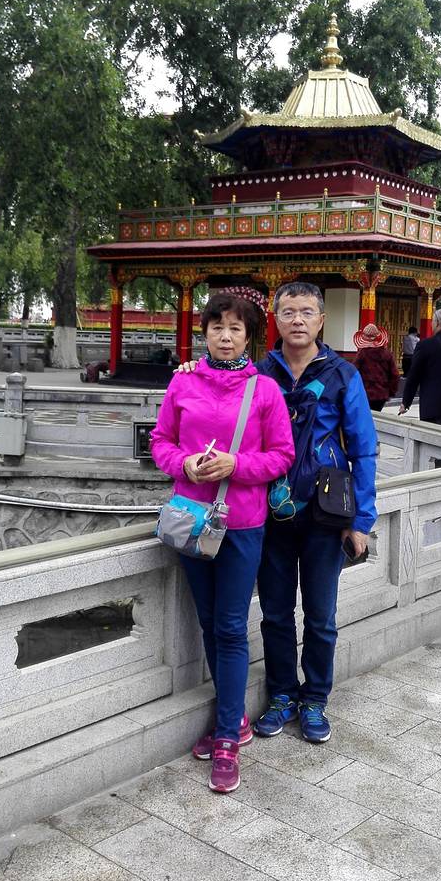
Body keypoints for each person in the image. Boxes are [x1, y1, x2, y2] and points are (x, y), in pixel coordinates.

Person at [151, 293, 294, 794]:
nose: (225, 336)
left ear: (249, 336)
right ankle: (236, 719)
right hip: (191, 518)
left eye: (235, 328)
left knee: (231, 626)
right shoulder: (183, 381)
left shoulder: (265, 390)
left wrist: (237, 465)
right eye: (217, 327)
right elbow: (160, 441)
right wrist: (184, 464)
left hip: (242, 522)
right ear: (205, 332)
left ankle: (228, 737)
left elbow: (282, 456)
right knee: (209, 621)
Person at [253, 281, 378, 745]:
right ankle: (282, 694)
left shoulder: (343, 375)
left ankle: (315, 698)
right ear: (276, 319)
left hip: (326, 515)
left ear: (321, 320)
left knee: (321, 616)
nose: (298, 320)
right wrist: (190, 366)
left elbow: (363, 449)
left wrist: (360, 521)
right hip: (271, 512)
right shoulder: (260, 373)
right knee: (275, 613)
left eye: (307, 312)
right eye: (289, 312)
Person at [354, 323, 400, 412]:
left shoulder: (362, 354)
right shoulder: (387, 354)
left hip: (365, 393)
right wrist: (391, 391)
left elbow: (353, 372)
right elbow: (395, 375)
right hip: (382, 394)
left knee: (366, 416)